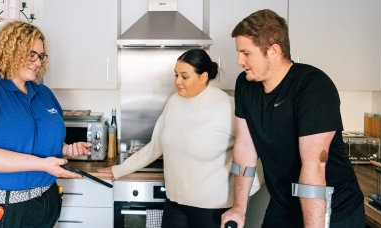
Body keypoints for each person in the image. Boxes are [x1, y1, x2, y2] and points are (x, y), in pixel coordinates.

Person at [220, 9, 364, 228]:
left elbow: (314, 168)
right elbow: (245, 148)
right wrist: (239, 208)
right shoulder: (245, 85)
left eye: (246, 53)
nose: (239, 61)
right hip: (283, 207)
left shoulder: (313, 87)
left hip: (332, 211)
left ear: (274, 51)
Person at [98, 49, 262, 228]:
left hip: (213, 208)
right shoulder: (174, 102)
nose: (177, 81)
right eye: (176, 75)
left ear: (203, 76)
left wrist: (246, 194)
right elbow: (155, 147)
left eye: (184, 76)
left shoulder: (228, 106)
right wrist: (119, 170)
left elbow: (254, 151)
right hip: (175, 203)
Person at [0, 21, 91, 228]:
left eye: (41, 56)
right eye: (31, 54)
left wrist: (67, 149)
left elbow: (41, 143)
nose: (38, 62)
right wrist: (43, 165)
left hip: (43, 203)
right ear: (10, 51)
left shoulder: (43, 93)